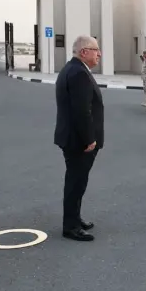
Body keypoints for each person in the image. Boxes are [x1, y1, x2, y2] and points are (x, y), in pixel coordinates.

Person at [53, 35, 104, 242]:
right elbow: (82, 111)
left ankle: (75, 218)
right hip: (78, 141)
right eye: (96, 49)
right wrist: (89, 139)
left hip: (73, 137)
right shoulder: (78, 73)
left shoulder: (73, 69)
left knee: (78, 181)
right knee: (76, 182)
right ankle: (71, 227)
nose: (99, 54)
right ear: (84, 52)